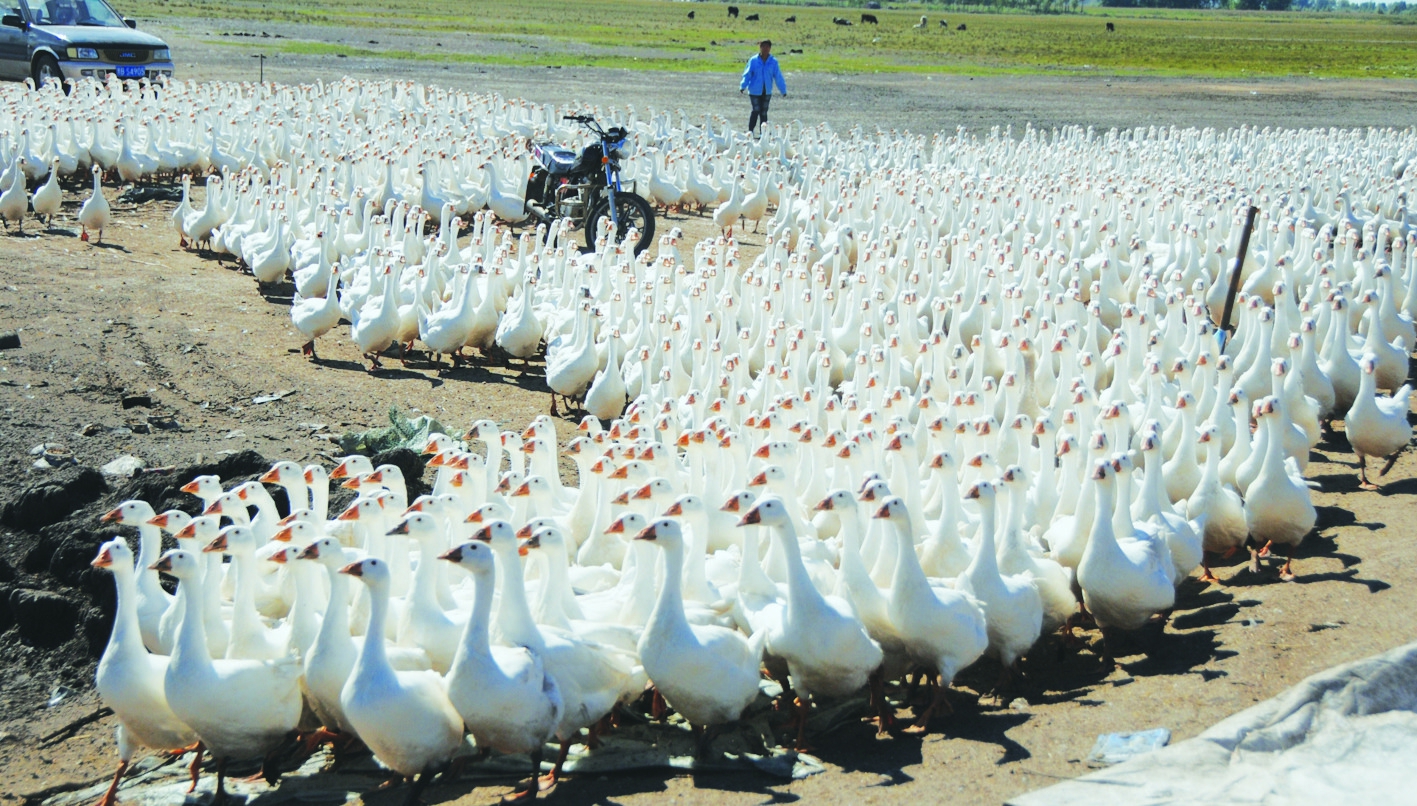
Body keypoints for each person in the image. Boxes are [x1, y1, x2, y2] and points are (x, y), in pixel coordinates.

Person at [739, 40, 786, 135]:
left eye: (767, 47)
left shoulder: (773, 62)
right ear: (760, 47)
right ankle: (750, 132)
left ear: (770, 48)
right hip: (754, 91)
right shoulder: (754, 60)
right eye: (763, 46)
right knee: (756, 110)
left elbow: (778, 76)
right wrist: (743, 85)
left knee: (764, 112)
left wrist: (783, 90)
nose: (765, 49)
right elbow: (747, 74)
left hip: (767, 91)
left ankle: (763, 133)